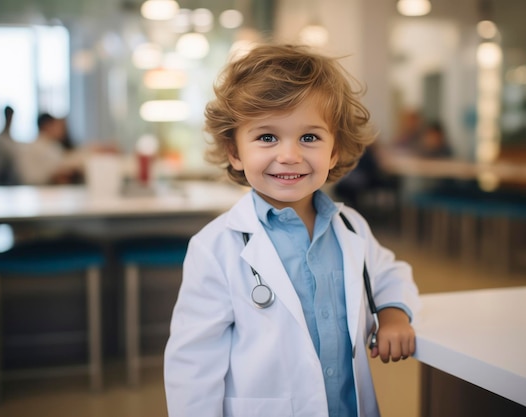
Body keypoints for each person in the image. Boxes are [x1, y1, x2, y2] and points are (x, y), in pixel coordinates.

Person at [164, 44, 421, 417]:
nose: (289, 155)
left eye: (310, 137)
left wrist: (394, 314)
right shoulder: (215, 247)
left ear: (334, 151)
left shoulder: (351, 227)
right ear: (234, 151)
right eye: (267, 137)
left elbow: (390, 274)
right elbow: (193, 364)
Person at [15, 113, 84, 185]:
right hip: (37, 191)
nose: (63, 130)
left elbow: (66, 160)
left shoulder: (54, 146)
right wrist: (53, 176)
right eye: (57, 126)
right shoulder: (32, 148)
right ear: (47, 126)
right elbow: (29, 178)